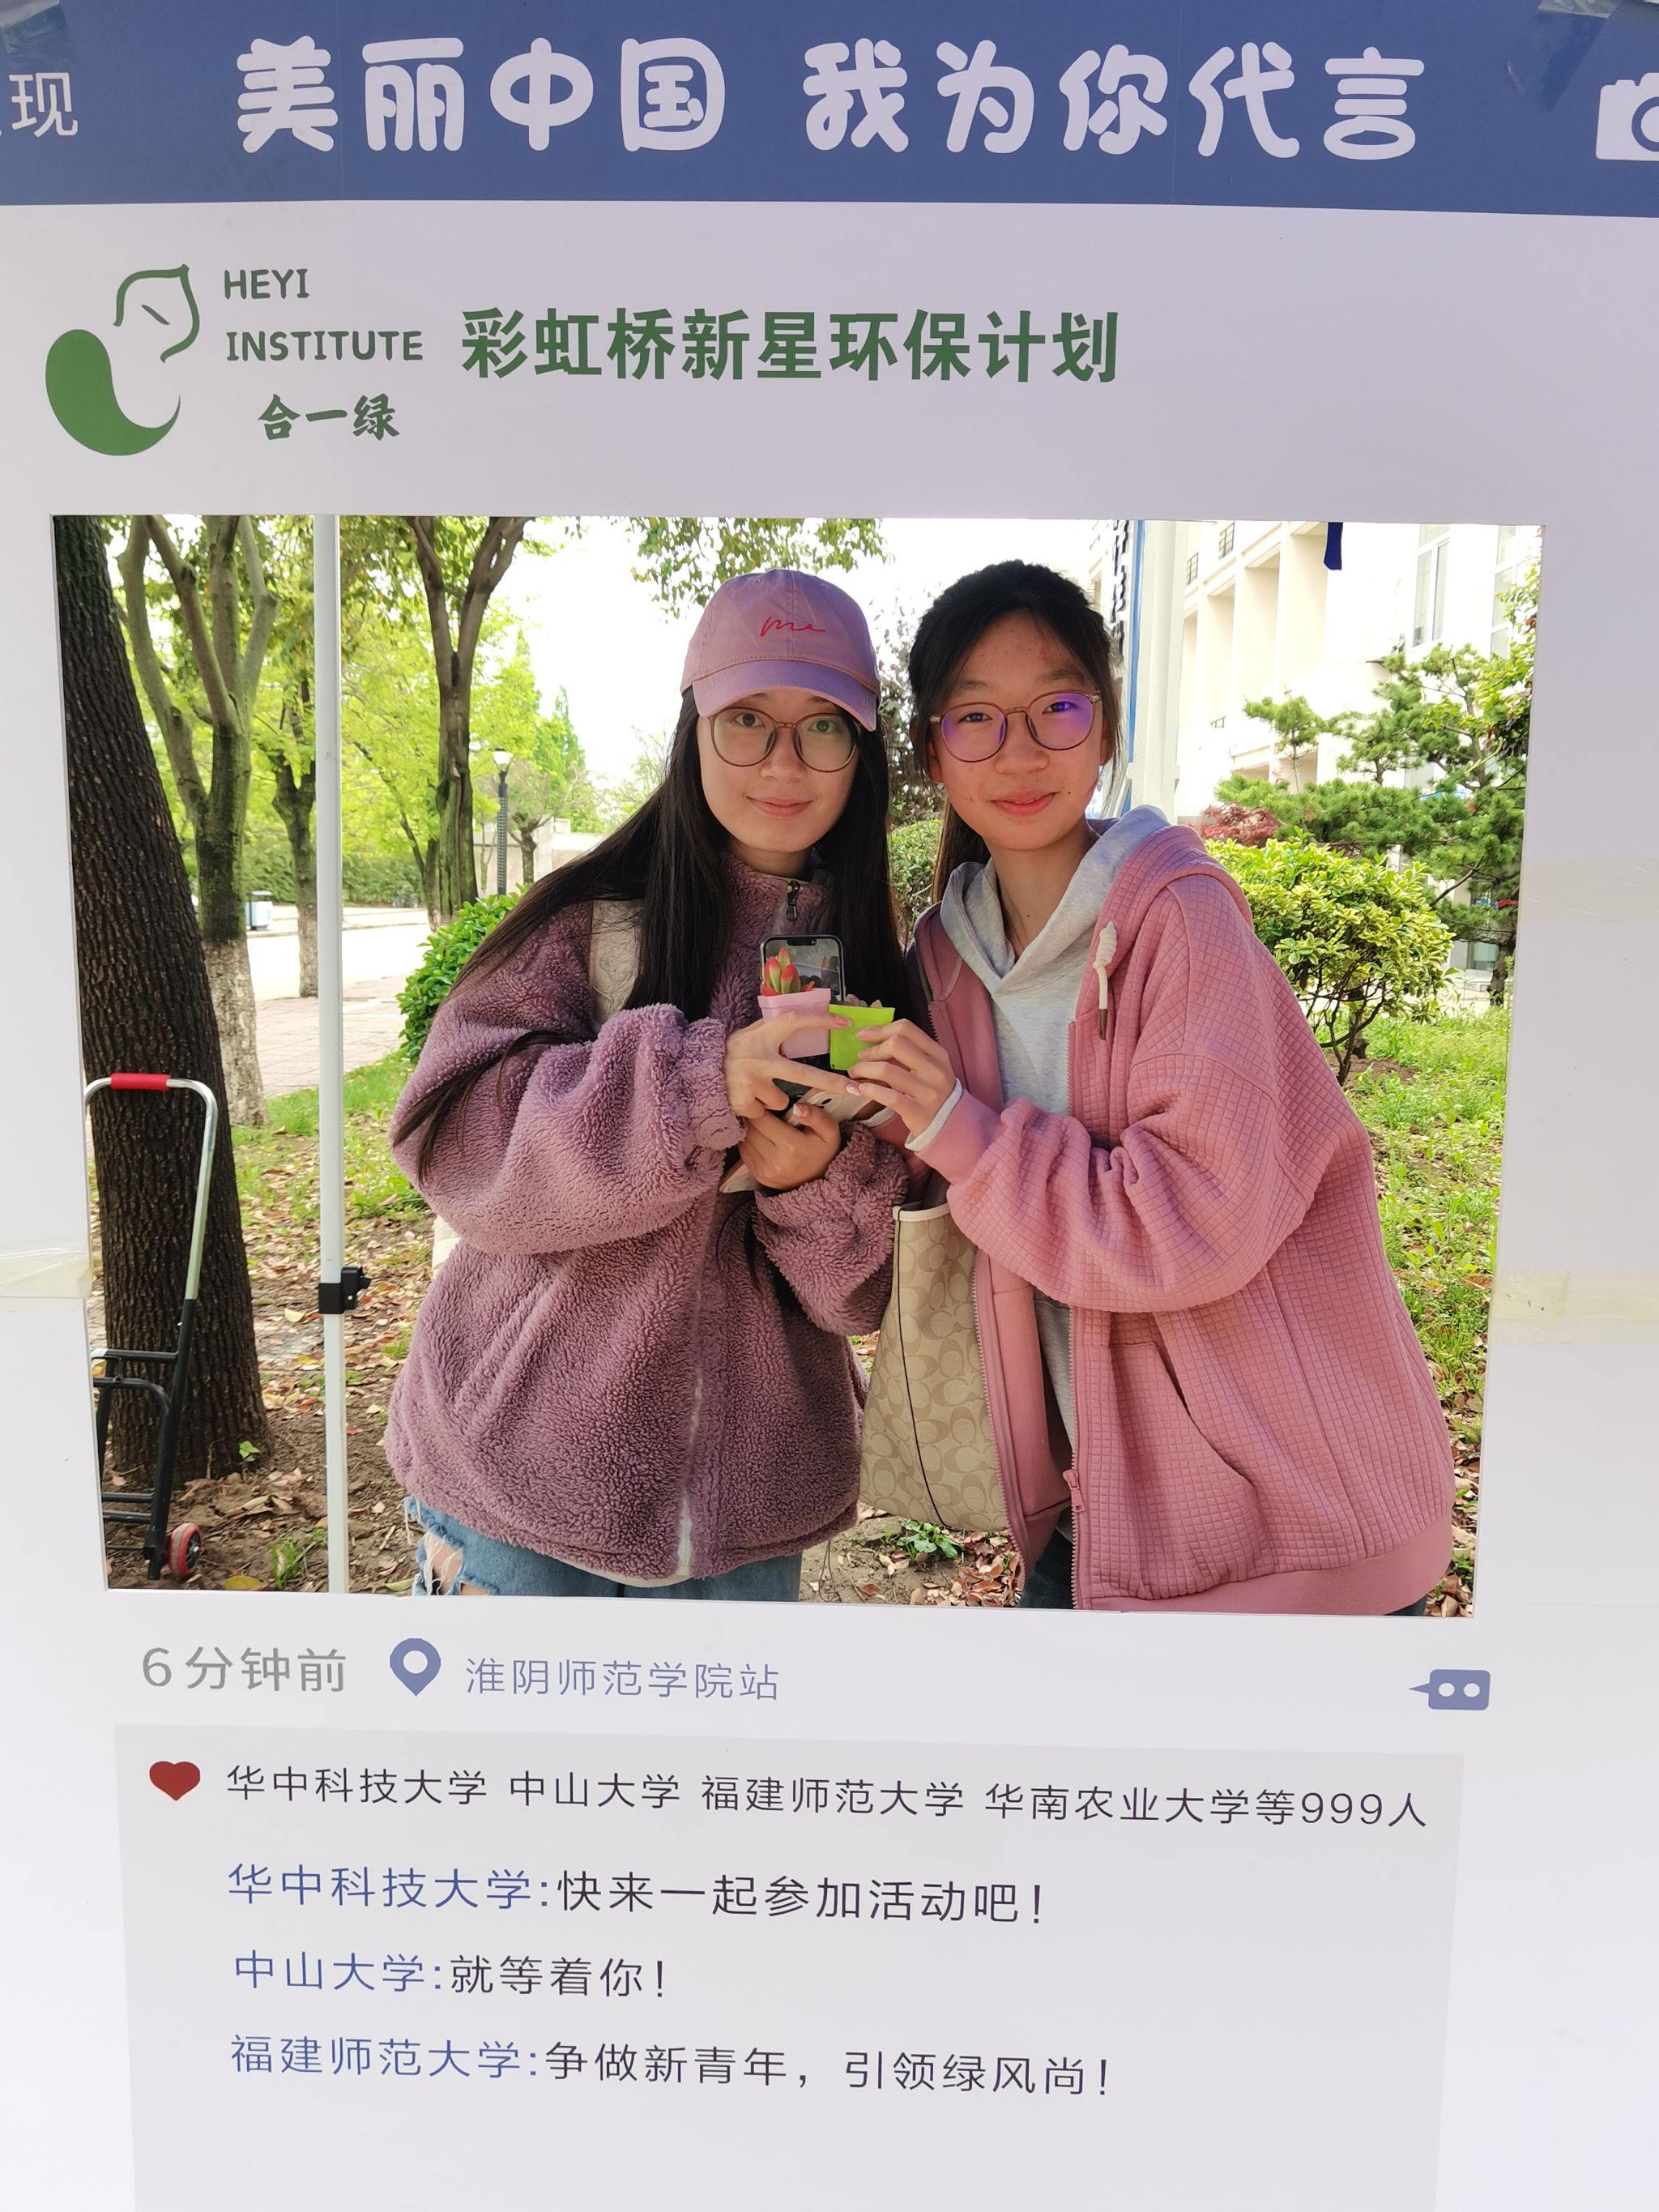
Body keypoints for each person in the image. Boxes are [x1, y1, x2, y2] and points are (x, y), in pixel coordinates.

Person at [845, 560, 1455, 1614]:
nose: (1019, 751)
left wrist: (960, 1131)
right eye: (976, 718)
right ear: (933, 751)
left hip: (1290, 1515)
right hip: (1103, 1505)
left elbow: (1190, 1222)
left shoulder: (1181, 924)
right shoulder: (942, 959)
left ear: (1106, 729)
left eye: (1057, 708)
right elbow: (942, 1203)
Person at [385, 568, 911, 1599]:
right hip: (518, 1489)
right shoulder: (588, 920)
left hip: (751, 1517)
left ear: (862, 752)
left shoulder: (882, 970)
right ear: (693, 729)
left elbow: (865, 1296)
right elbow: (455, 1147)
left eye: (823, 728)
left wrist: (809, 1184)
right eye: (746, 720)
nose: (783, 761)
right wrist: (695, 1082)